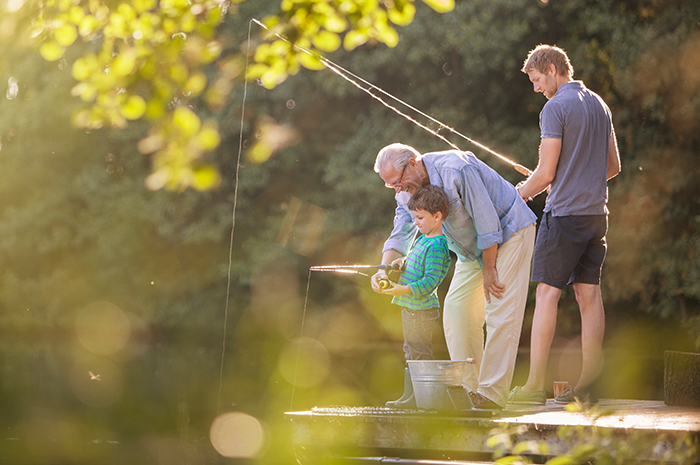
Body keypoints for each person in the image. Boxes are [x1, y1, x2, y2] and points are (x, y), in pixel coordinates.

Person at [371, 143, 536, 410]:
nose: (397, 189)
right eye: (391, 186)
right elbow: (401, 228)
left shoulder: (457, 169)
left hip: (508, 231)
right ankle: (470, 390)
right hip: (470, 248)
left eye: (398, 181)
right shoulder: (405, 191)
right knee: (457, 310)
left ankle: (491, 394)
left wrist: (489, 269)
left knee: (499, 309)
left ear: (413, 162)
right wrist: (383, 269)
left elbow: (487, 223)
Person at [508, 44, 621, 405]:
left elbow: (544, 174)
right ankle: (589, 386)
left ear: (554, 69)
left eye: (538, 80)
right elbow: (613, 166)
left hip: (565, 216)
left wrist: (518, 194)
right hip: (596, 215)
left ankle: (533, 386)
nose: (537, 88)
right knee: (589, 295)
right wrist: (575, 177)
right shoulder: (600, 104)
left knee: (546, 294)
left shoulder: (555, 108)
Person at [380, 185, 452, 408]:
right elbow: (414, 263)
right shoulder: (422, 239)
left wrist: (403, 289)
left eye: (420, 218)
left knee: (420, 352)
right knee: (410, 351)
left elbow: (430, 281)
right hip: (411, 308)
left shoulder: (438, 245)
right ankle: (410, 397)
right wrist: (401, 263)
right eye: (414, 217)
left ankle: (422, 399)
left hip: (421, 311)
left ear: (437, 216)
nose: (417, 222)